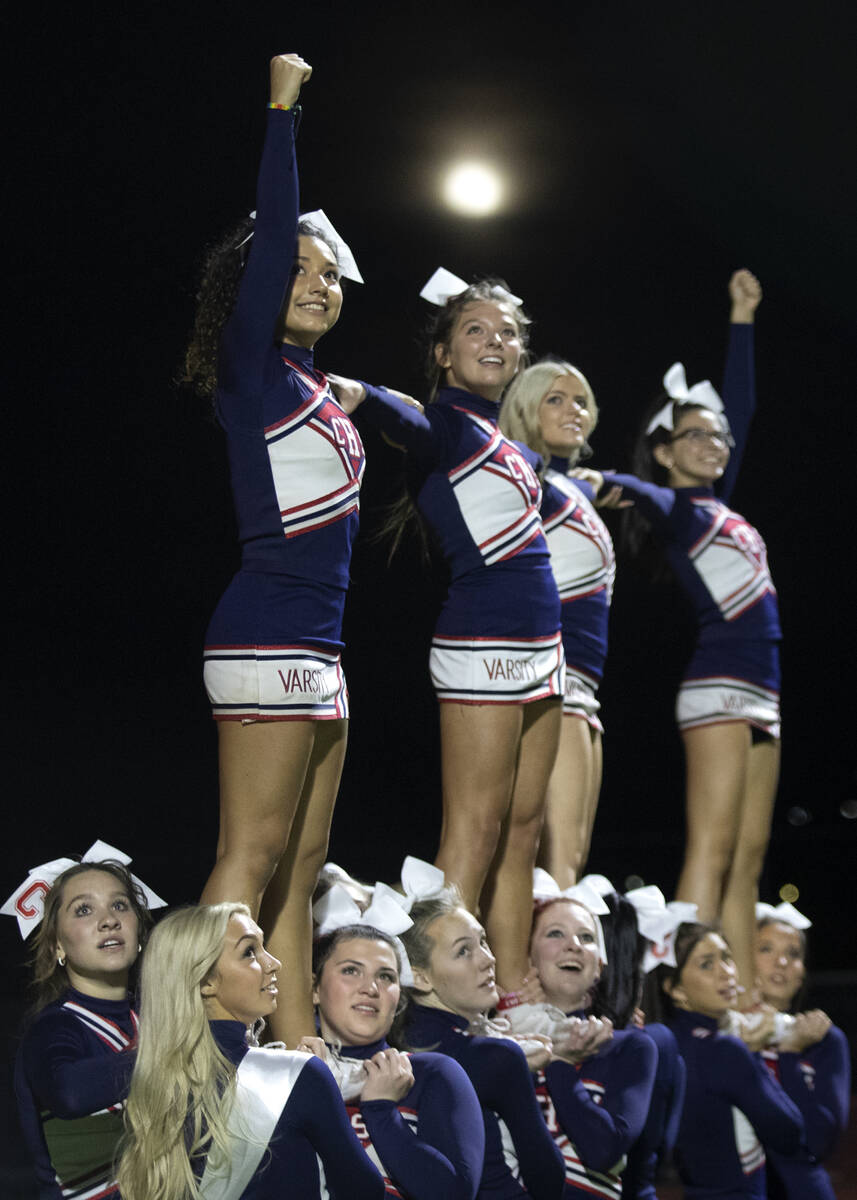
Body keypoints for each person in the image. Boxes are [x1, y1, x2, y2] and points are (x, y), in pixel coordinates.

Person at [185, 53, 379, 1044]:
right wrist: (281, 113)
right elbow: (271, 251)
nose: (315, 283)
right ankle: (200, 1058)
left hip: (320, 648)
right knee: (249, 855)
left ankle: (297, 1049)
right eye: (296, 271)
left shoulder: (310, 386)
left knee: (304, 863)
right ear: (257, 283)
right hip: (264, 633)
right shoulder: (251, 372)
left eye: (328, 275)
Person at [346, 270, 564, 997]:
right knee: (471, 832)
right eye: (474, 328)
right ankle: (437, 997)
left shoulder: (504, 442)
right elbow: (399, 419)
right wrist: (354, 394)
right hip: (482, 645)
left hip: (543, 649)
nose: (494, 340)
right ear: (442, 353)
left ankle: (503, 993)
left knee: (522, 833)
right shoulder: (442, 425)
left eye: (506, 331)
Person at [596, 270, 777, 994]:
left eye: (717, 435)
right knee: (710, 845)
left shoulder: (718, 504)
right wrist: (582, 480)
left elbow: (742, 407)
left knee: (750, 853)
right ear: (664, 450)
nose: (713, 441)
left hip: (765, 689)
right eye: (693, 434)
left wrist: (740, 318)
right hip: (718, 685)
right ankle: (680, 989)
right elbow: (629, 487)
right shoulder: (674, 509)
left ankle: (739, 999)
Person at [117, 903, 387, 1200]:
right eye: (249, 952)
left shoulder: (146, 1081)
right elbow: (364, 1190)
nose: (274, 963)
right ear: (206, 980)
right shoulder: (298, 1075)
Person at [499, 360, 614, 884]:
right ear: (525, 409)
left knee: (571, 858)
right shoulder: (527, 477)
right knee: (555, 862)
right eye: (556, 399)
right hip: (554, 677)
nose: (575, 410)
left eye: (582, 400)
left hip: (585, 685)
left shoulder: (570, 487)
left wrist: (597, 480)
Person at [394, 888, 566, 1199]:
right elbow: (548, 1178)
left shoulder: (384, 1047)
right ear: (419, 978)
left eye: (483, 941)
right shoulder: (497, 1057)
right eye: (463, 951)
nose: (489, 959)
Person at [11, 856, 156, 1200]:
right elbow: (70, 1094)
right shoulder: (53, 1028)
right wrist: (174, 1052)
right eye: (83, 910)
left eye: (120, 905)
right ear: (57, 945)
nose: (108, 921)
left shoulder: (155, 1015)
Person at [312, 920, 485, 1198]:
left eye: (386, 977)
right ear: (314, 989)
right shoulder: (293, 1074)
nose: (370, 988)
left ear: (399, 1000)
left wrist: (381, 1111)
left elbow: (454, 1194)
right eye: (351, 971)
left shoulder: (432, 1073)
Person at [646, 922, 803, 1199]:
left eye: (726, 957)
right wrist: (753, 1051)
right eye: (707, 965)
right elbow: (790, 1133)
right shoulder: (725, 1049)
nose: (727, 973)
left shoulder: (664, 1040)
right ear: (675, 990)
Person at [527, 892, 657, 1197]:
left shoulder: (631, 1047)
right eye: (555, 933)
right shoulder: (504, 1042)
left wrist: (559, 1064)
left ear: (599, 966)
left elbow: (603, 1149)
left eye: (586, 937)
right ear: (528, 956)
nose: (573, 945)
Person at [752, 905, 850, 1199]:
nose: (781, 962)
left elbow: (819, 1141)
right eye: (766, 949)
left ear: (803, 970)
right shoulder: (724, 1035)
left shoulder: (824, 1039)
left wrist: (790, 1053)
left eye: (793, 954)